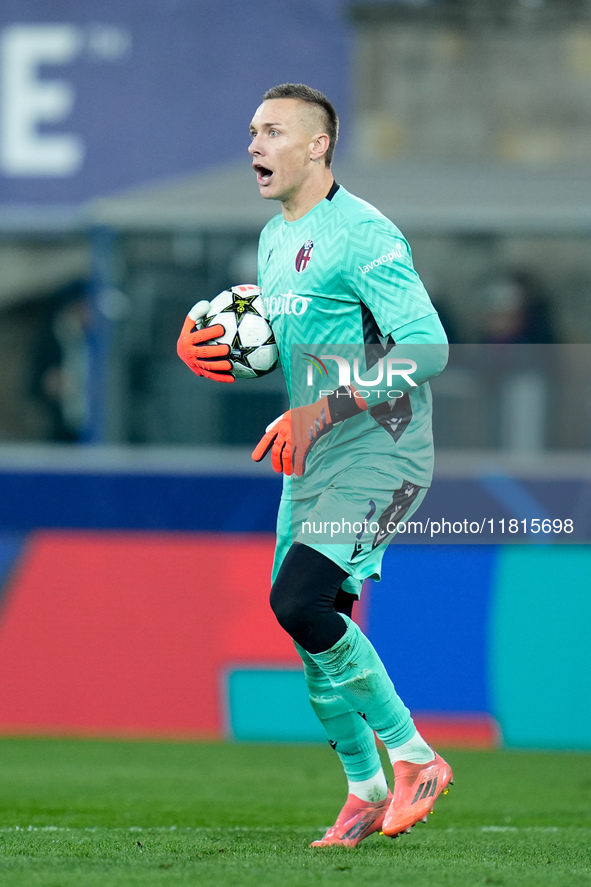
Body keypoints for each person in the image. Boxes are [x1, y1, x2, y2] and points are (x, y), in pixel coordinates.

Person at [177, 83, 452, 847]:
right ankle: (362, 788)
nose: (254, 145)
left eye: (272, 131)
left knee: (299, 600)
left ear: (317, 146)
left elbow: (427, 347)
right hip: (316, 456)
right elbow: (300, 349)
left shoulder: (364, 235)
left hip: (381, 450)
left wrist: (321, 409)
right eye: (252, 131)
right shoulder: (273, 238)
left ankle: (414, 757)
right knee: (308, 626)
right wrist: (213, 350)